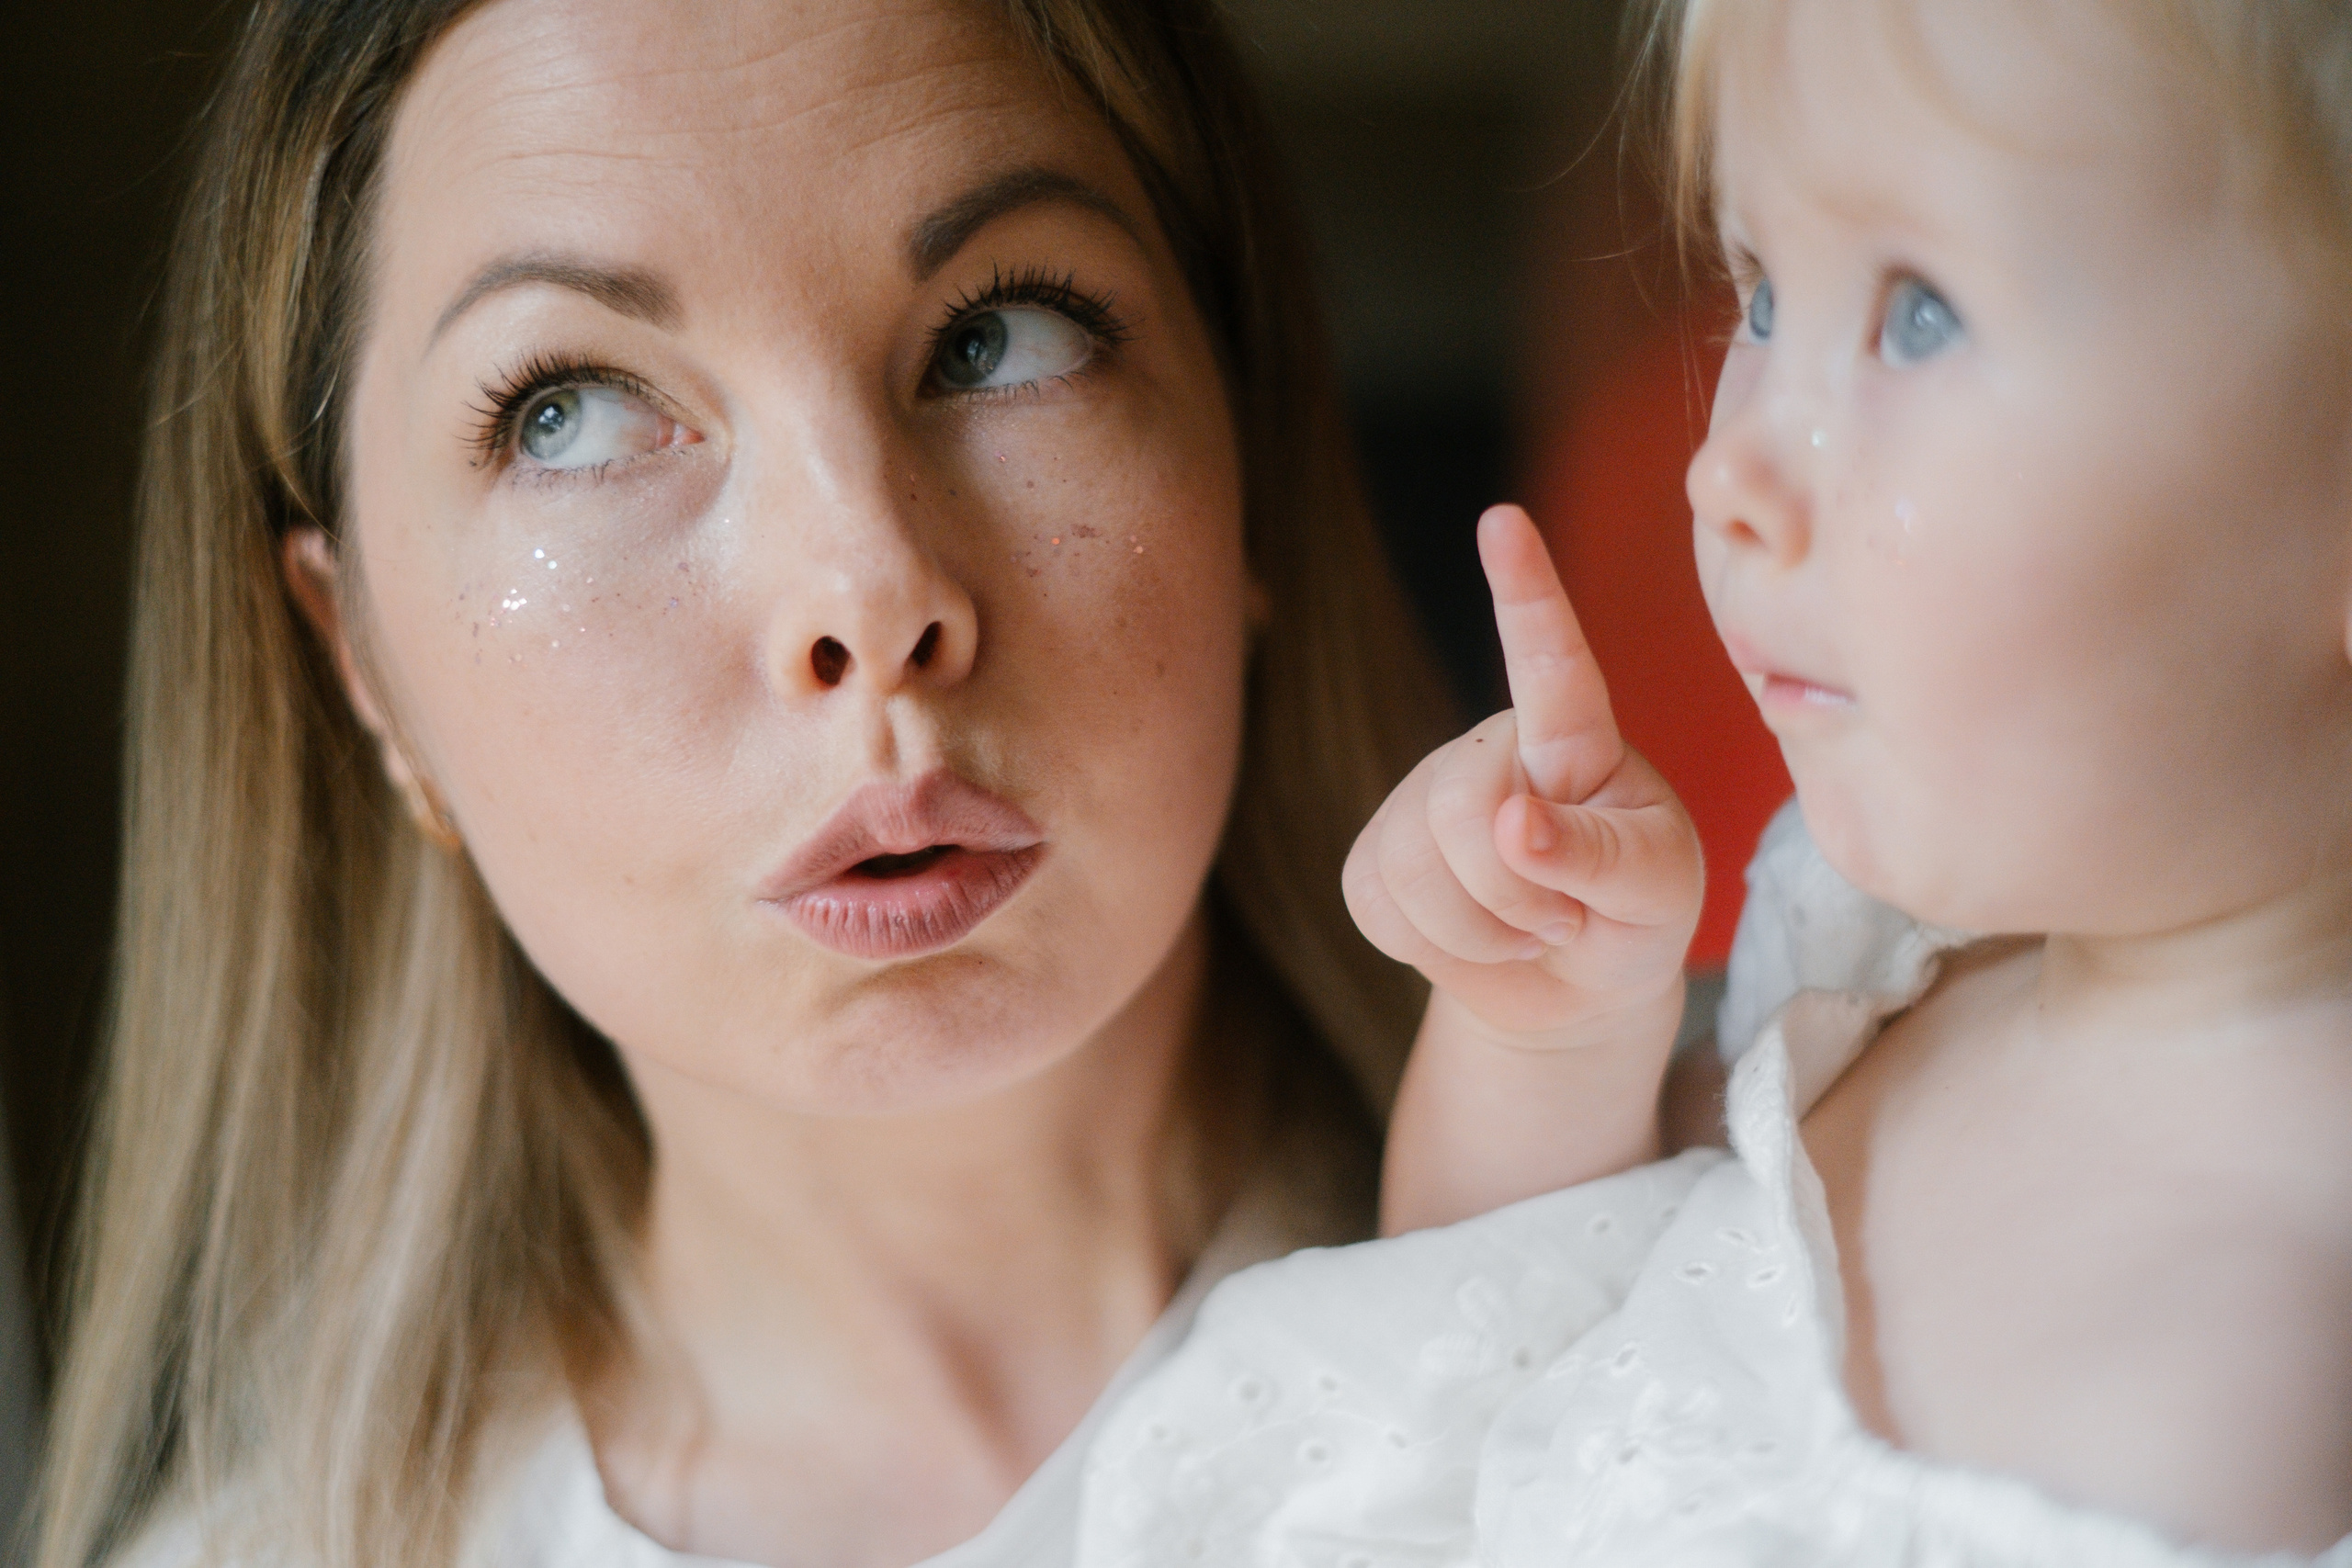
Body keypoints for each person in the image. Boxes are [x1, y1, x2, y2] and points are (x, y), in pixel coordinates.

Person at [32, 2, 1468, 1564]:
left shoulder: (1665, 1275)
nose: (868, 589)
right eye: (570, 413)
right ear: (360, 662)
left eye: (997, 336)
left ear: (1246, 453)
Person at [1072, 0, 2352, 1561]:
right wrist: (1557, 1031)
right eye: (1760, 295)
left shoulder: (2262, 1389)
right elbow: (1467, 1364)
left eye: (1918, 317)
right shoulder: (1874, 970)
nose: (1725, 472)